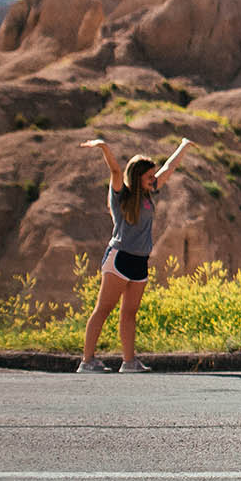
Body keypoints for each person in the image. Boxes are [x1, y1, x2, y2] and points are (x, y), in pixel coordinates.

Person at [77, 137, 177, 372]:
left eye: (154, 176)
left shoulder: (148, 194)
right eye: (149, 176)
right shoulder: (121, 194)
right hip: (120, 258)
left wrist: (184, 145)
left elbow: (169, 169)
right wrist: (104, 147)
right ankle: (87, 361)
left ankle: (129, 362)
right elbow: (114, 169)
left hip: (140, 261)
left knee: (129, 313)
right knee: (103, 309)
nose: (154, 179)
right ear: (137, 176)